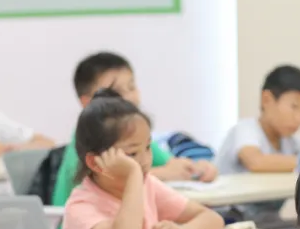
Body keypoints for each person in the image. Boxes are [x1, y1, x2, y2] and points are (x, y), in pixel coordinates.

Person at [58, 90, 224, 229]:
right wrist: (133, 174)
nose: (145, 160)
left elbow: (212, 219)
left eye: (148, 147)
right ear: (95, 162)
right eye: (132, 153)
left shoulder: (147, 185)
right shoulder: (80, 205)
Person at [52, 52, 216, 209]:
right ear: (87, 102)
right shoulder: (87, 139)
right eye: (115, 92)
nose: (129, 97)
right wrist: (164, 173)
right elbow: (103, 183)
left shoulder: (136, 136)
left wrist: (198, 169)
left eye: (131, 87)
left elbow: (172, 165)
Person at [216, 65, 300, 227]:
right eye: (294, 107)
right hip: (229, 218)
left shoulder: (289, 141)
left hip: (264, 220)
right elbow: (255, 161)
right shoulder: (246, 129)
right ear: (267, 100)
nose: (299, 118)